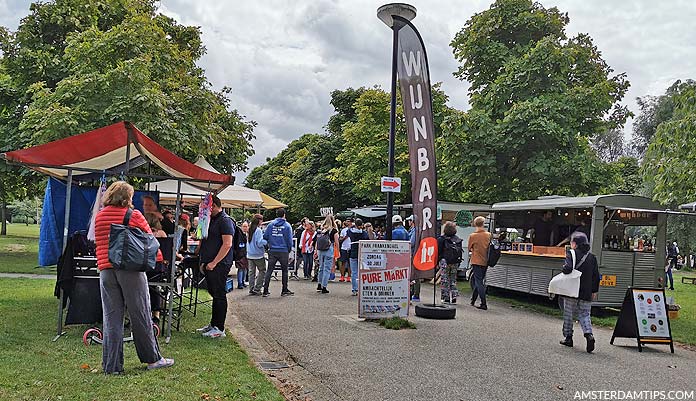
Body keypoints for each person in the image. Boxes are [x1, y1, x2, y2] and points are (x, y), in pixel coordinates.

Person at [94, 181, 173, 374]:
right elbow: (150, 241)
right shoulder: (133, 215)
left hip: (106, 270)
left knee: (111, 318)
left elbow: (100, 242)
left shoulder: (100, 216)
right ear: (127, 197)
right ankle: (153, 359)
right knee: (141, 314)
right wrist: (160, 260)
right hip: (130, 269)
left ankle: (112, 366)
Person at [197, 195, 234, 339]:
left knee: (219, 295)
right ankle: (214, 324)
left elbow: (227, 244)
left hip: (219, 264)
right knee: (214, 293)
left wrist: (214, 262)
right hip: (210, 263)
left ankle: (219, 328)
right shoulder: (212, 220)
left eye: (205, 207)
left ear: (212, 206)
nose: (203, 210)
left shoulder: (225, 221)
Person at [559, 232, 600, 353]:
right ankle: (589, 335)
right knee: (585, 314)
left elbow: (567, 269)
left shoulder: (571, 253)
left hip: (572, 290)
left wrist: (563, 268)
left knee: (568, 314)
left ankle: (568, 338)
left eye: (572, 242)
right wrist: (594, 290)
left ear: (574, 244)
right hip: (586, 291)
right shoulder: (592, 257)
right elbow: (596, 276)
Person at [262, 208, 294, 297]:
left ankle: (265, 290)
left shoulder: (270, 225)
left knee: (269, 270)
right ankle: (284, 290)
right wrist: (289, 249)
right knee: (285, 271)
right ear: (284, 214)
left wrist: (269, 245)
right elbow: (289, 240)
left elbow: (265, 236)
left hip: (272, 250)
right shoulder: (287, 226)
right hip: (283, 251)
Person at [468, 216, 490, 310]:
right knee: (479, 280)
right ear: (483, 224)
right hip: (485, 260)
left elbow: (469, 248)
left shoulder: (473, 236)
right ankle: (473, 300)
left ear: (475, 224)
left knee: (478, 281)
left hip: (476, 260)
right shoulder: (488, 235)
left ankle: (483, 303)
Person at [438, 221, 462, 304]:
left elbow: (439, 251)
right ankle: (454, 296)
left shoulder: (442, 239)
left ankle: (446, 297)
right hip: (455, 262)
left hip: (445, 261)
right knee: (453, 279)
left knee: (445, 279)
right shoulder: (457, 239)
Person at [316, 214, 339, 294]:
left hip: (320, 250)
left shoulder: (321, 229)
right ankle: (324, 287)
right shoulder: (334, 231)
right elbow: (336, 242)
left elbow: (317, 240)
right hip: (329, 249)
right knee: (327, 269)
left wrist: (316, 251)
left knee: (321, 267)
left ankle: (319, 284)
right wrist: (338, 251)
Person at [348, 218, 369, 296]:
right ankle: (362, 288)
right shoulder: (364, 233)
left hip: (353, 253)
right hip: (362, 253)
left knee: (354, 272)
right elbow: (367, 237)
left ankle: (354, 289)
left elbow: (348, 230)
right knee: (362, 272)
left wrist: (352, 226)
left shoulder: (351, 232)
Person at [247, 214, 267, 295]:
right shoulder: (258, 230)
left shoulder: (250, 229)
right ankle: (257, 289)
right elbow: (259, 243)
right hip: (258, 255)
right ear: (259, 220)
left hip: (250, 254)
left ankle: (251, 289)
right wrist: (266, 242)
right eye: (261, 220)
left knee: (251, 272)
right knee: (262, 271)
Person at [405, 215, 420, 302]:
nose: (408, 222)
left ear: (412, 221)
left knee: (415, 275)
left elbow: (412, 242)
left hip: (414, 255)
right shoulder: (413, 230)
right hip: (414, 254)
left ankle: (415, 294)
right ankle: (414, 293)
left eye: (409, 220)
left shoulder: (415, 231)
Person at [338, 218, 353, 282]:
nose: (347, 222)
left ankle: (349, 277)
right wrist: (345, 237)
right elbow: (340, 240)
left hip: (351, 248)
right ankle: (342, 276)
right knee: (343, 262)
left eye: (349, 221)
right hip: (344, 248)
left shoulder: (354, 230)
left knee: (350, 263)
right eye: (347, 221)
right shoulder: (343, 230)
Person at [236, 221, 249, 289]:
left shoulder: (248, 235)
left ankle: (243, 282)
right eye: (244, 226)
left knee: (245, 269)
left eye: (246, 226)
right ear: (241, 227)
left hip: (247, 254)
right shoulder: (239, 235)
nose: (245, 228)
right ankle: (240, 283)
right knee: (240, 269)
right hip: (240, 254)